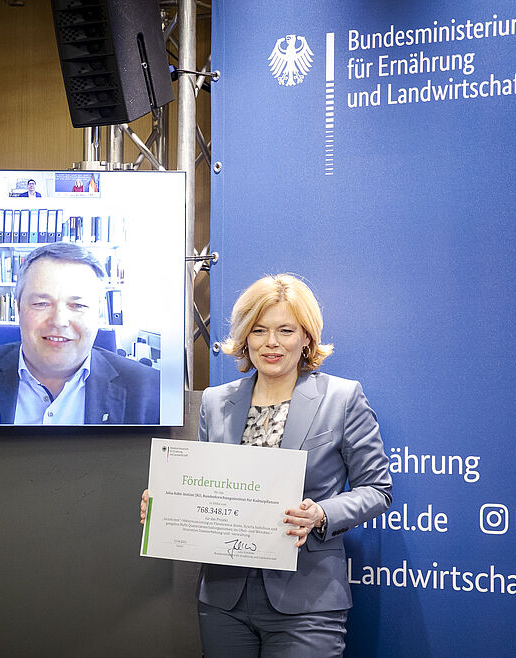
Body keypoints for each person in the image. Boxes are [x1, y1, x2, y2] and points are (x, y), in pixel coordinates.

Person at [140, 274, 390, 656]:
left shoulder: (342, 398)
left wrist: (321, 513)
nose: (271, 343)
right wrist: (166, 505)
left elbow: (377, 489)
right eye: (258, 331)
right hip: (223, 599)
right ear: (245, 338)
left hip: (308, 601)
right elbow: (204, 484)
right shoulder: (215, 401)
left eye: (285, 330)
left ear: (306, 337)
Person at [0, 242, 159, 424]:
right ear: (18, 308)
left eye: (77, 305)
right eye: (41, 303)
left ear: (99, 314)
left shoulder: (147, 389)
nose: (59, 321)